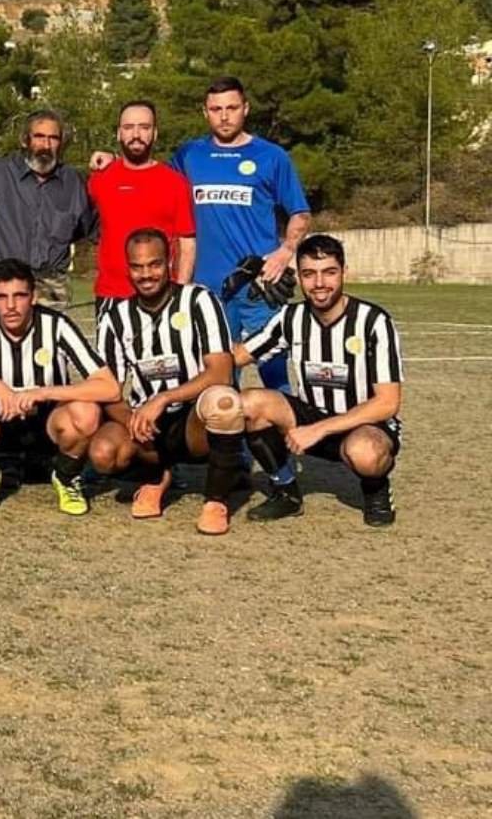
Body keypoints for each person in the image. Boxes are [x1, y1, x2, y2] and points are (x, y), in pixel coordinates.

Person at [231, 234, 403, 527]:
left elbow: (387, 403)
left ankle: (376, 489)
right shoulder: (291, 317)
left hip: (363, 423)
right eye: (309, 274)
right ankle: (286, 491)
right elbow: (236, 356)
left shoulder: (373, 321)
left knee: (366, 453)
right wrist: (225, 304)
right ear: (299, 277)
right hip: (311, 415)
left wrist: (319, 429)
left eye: (329, 272)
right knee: (247, 404)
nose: (319, 283)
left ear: (344, 272)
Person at [87, 229, 241, 535]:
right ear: (128, 267)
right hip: (149, 424)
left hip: (193, 418)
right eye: (137, 267)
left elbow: (221, 372)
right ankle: (156, 476)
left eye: (154, 264)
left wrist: (164, 398)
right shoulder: (115, 318)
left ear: (170, 260)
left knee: (225, 402)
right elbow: (109, 389)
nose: (146, 275)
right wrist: (132, 420)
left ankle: (216, 500)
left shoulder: (199, 300)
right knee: (103, 452)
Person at [0, 260, 120, 517]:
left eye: (19, 296)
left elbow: (109, 387)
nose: (10, 306)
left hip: (49, 425)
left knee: (86, 410)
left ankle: (66, 475)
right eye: (1, 297)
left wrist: (44, 392)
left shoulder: (56, 325)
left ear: (34, 296)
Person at [167, 76, 311, 391]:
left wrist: (285, 251)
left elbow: (300, 213)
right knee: (219, 383)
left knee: (276, 380)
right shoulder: (189, 155)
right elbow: (154, 181)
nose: (224, 116)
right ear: (205, 112)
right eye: (216, 109)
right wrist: (113, 161)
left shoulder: (271, 156)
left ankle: (287, 423)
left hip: (259, 287)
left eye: (231, 108)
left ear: (245, 108)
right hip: (208, 291)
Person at [0, 109, 95, 310]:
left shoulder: (74, 182)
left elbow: (87, 225)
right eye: (39, 136)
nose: (46, 145)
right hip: (7, 281)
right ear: (25, 140)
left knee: (50, 332)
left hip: (52, 285)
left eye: (53, 138)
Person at [85, 99, 195, 312]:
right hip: (112, 296)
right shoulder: (100, 179)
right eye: (128, 127)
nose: (136, 134)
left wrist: (180, 294)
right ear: (119, 133)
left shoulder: (175, 183)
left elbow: (187, 244)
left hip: (162, 296)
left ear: (155, 133)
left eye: (144, 127)